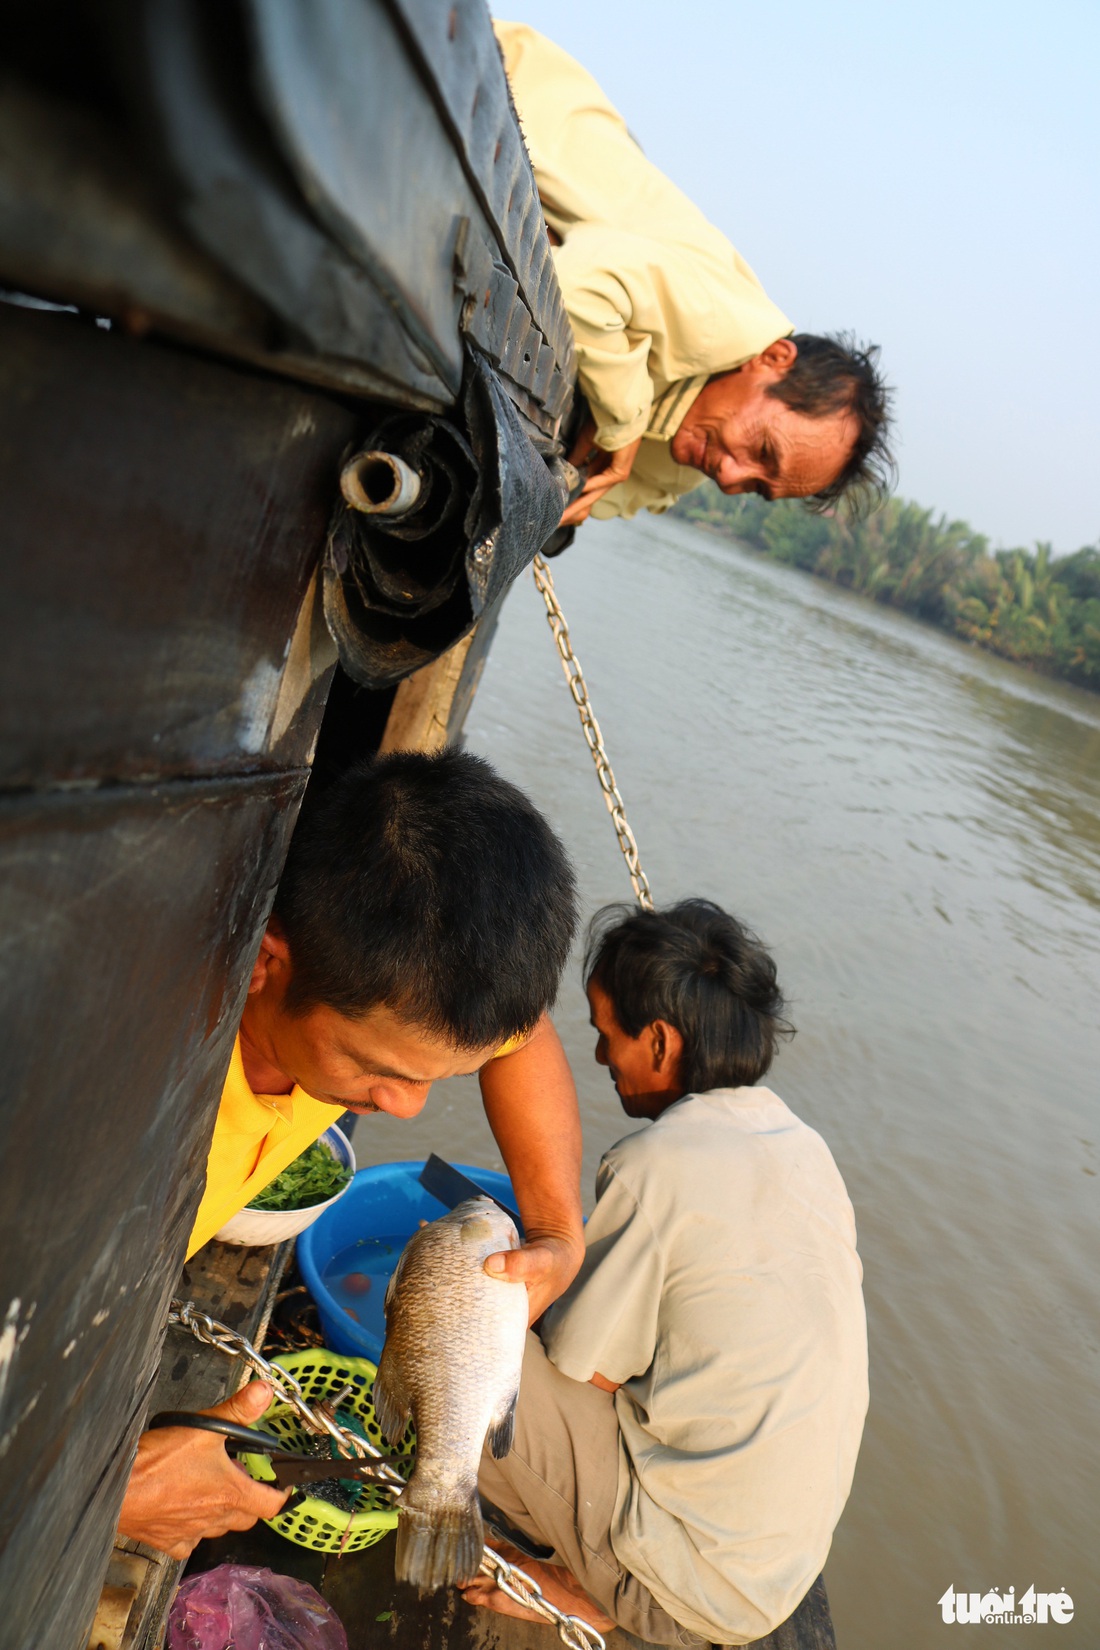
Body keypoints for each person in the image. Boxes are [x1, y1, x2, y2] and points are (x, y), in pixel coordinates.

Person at [119, 749, 584, 1558]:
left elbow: (524, 1033)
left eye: (446, 1075)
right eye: (379, 1070)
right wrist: (114, 1499)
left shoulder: (400, 983)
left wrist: (556, 1232)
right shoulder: (131, 1101)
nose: (407, 1106)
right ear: (268, 963)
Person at [466, 900, 868, 1646]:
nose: (597, 1059)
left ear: (659, 1040)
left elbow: (582, 1363)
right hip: (778, 1567)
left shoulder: (658, 1164)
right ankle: (605, 1572)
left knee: (450, 1315)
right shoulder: (804, 1146)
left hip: (689, 1593)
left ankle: (595, 1589)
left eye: (604, 1034)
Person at [494, 23, 894, 527]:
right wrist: (623, 423)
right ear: (773, 358)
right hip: (496, 78)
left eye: (757, 488)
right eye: (763, 451)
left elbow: (580, 501)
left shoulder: (679, 471)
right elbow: (575, 287)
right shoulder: (715, 312)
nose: (730, 478)